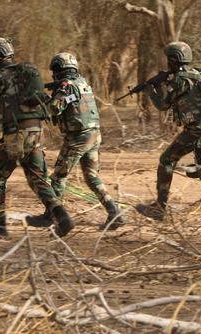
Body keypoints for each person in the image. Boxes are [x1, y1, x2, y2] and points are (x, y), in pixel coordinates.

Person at [0, 38, 74, 238]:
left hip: (15, 135)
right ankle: (62, 217)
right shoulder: (29, 72)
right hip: (35, 133)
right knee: (39, 179)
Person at [135, 41, 201, 227]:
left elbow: (163, 105)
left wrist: (151, 90)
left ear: (173, 60)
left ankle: (159, 208)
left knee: (166, 160)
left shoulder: (180, 80)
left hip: (196, 131)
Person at [25, 52, 126, 230]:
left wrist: (42, 98)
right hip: (94, 134)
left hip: (79, 137)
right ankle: (114, 211)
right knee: (91, 176)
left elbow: (54, 109)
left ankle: (51, 215)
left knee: (58, 176)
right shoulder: (82, 83)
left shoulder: (66, 86)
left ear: (58, 70)